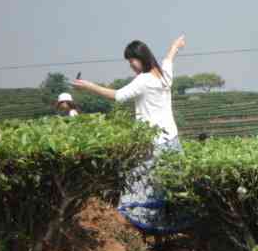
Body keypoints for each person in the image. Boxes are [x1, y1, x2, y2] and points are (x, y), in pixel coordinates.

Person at [72, 35, 190, 237]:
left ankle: (138, 231)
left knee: (139, 186)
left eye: (131, 61)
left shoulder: (143, 81)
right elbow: (168, 60)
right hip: (172, 140)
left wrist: (88, 86)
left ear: (140, 58)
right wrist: (175, 46)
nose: (131, 66)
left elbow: (117, 96)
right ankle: (171, 230)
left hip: (152, 144)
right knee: (170, 187)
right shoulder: (164, 76)